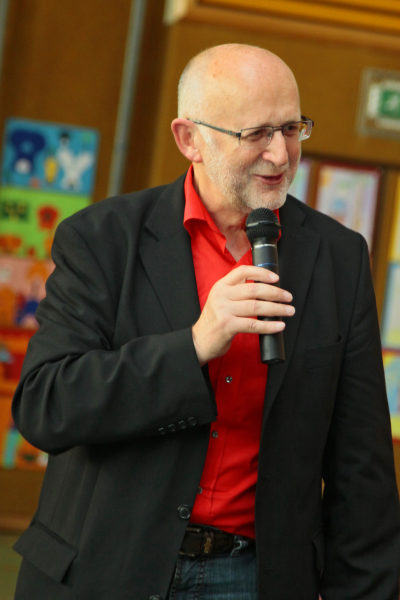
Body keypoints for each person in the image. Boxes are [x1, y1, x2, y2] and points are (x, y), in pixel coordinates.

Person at [11, 43, 400, 600]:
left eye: (291, 129)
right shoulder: (101, 239)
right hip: (108, 567)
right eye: (256, 133)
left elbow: (361, 466)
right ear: (189, 138)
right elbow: (45, 405)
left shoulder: (338, 258)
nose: (280, 154)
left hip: (256, 577)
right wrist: (194, 345)